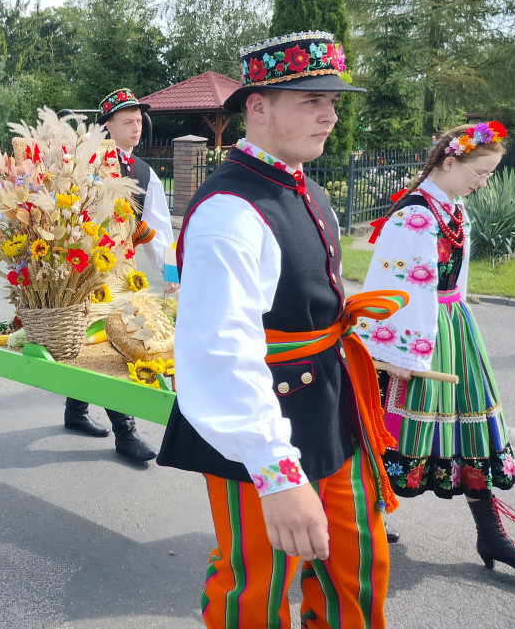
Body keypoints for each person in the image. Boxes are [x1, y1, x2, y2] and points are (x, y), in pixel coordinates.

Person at [158, 32, 401, 629]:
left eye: (334, 101)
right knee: (257, 588)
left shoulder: (306, 186)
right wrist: (276, 473)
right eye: (310, 100)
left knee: (357, 564)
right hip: (261, 418)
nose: (330, 115)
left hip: (329, 402)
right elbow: (220, 355)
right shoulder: (228, 211)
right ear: (257, 106)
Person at [360, 122, 515, 574]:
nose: (483, 183)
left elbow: (455, 284)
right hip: (410, 334)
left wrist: (459, 329)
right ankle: (364, 516)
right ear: (451, 161)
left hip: (450, 328)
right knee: (391, 427)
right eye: (481, 172)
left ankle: (491, 534)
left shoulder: (454, 210)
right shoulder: (415, 215)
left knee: (471, 428)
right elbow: (395, 287)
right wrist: (398, 355)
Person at [61, 88, 173, 463]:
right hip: (88, 269)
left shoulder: (144, 171)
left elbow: (157, 227)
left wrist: (169, 272)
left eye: (139, 120)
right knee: (104, 346)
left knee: (103, 341)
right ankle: (125, 433)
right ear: (108, 125)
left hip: (124, 273)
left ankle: (75, 411)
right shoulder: (86, 162)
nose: (136, 126)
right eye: (127, 121)